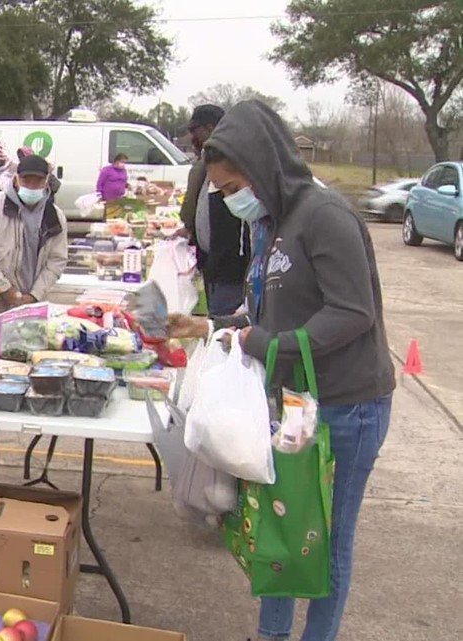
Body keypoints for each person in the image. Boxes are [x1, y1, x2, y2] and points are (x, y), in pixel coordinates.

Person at [167, 100, 394, 641]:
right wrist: (209, 325)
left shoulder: (324, 216)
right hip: (293, 403)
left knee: (324, 542)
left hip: (345, 406)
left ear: (263, 167)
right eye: (221, 192)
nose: (230, 199)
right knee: (279, 530)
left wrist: (268, 343)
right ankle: (271, 635)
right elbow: (266, 309)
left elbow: (351, 313)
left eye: (232, 187)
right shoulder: (269, 224)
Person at [0, 154, 68, 317]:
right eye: (26, 180)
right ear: (16, 179)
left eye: (38, 181)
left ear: (46, 181)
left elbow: (57, 259)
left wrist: (35, 294)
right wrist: (4, 288)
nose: (31, 186)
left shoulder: (54, 216)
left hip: (33, 302)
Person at [177, 104, 249, 315]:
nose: (192, 139)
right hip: (212, 266)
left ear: (210, 128)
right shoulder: (204, 167)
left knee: (222, 323)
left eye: (195, 131)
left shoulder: (233, 166)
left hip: (231, 272)